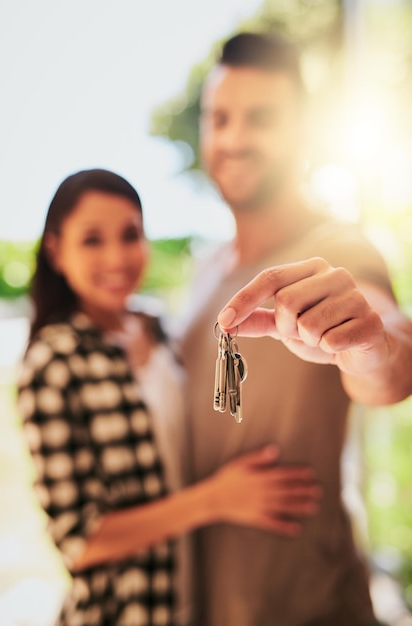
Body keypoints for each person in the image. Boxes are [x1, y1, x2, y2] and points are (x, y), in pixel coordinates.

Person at [16, 168, 322, 626]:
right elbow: (79, 541)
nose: (117, 256)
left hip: (195, 600)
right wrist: (215, 499)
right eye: (92, 240)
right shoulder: (51, 363)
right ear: (57, 251)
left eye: (130, 234)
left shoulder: (157, 327)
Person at [178, 32, 412, 626]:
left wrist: (369, 347)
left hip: (312, 608)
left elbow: (391, 355)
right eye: (219, 117)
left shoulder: (334, 248)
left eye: (260, 119)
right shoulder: (206, 270)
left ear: (303, 133)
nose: (232, 138)